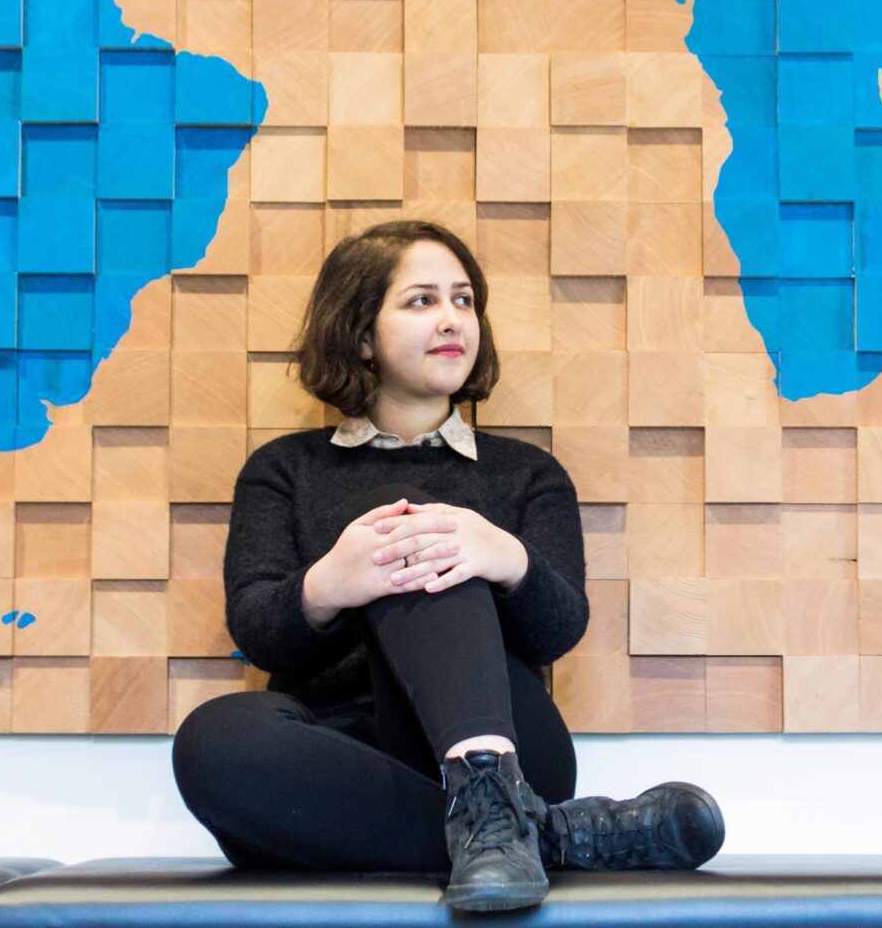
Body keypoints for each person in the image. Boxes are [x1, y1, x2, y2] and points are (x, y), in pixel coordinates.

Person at [172, 217, 726, 911]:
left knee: (420, 525)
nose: (451, 319)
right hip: (341, 771)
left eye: (463, 300)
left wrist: (506, 558)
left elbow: (558, 630)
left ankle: (491, 794)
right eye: (421, 300)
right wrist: (329, 585)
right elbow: (257, 630)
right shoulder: (284, 470)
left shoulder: (527, 474)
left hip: (511, 744)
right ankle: (544, 835)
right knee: (211, 743)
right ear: (362, 333)